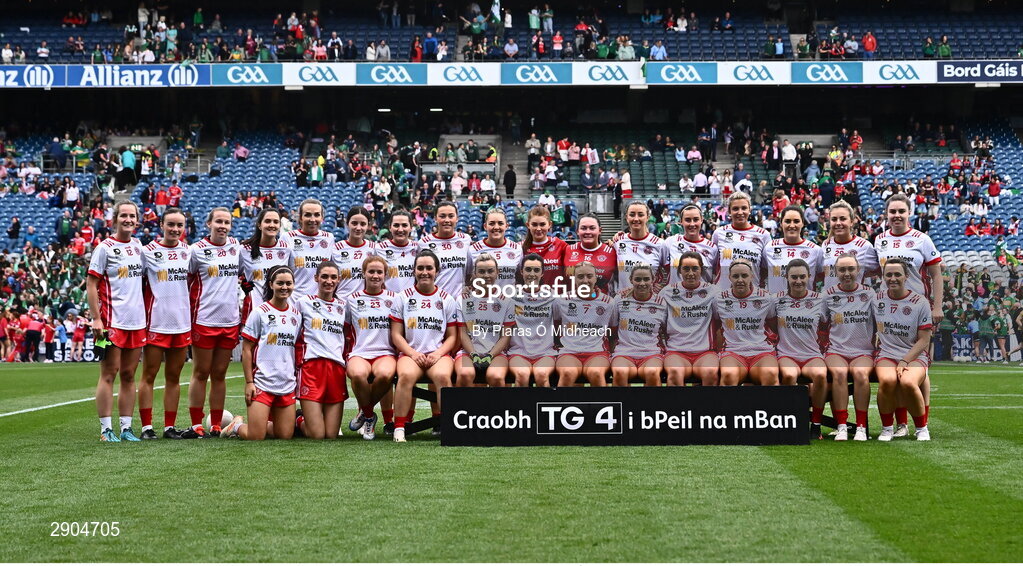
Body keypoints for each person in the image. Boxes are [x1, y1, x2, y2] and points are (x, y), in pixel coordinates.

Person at [874, 193, 943, 434]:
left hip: (917, 309)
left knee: (917, 365)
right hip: (890, 310)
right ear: (887, 214)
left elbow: (936, 274)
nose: (897, 216)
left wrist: (937, 306)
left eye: (901, 211)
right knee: (895, 367)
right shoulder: (879, 240)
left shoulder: (921, 239)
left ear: (909, 213)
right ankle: (901, 423)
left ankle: (922, 422)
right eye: (892, 212)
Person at [88, 201, 146, 442]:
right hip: (113, 321)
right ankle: (105, 430)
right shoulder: (105, 248)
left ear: (137, 220)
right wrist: (96, 319)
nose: (128, 220)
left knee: (130, 375)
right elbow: (91, 285)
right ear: (115, 219)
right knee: (109, 373)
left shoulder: (139, 246)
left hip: (137, 320)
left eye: (132, 216)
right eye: (124, 216)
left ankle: (126, 428)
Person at [389, 249, 462, 442]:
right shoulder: (403, 297)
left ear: (437, 271)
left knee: (443, 376)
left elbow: (453, 337)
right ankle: (400, 428)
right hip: (411, 354)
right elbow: (396, 334)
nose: (424, 272)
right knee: (404, 376)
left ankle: (448, 426)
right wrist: (413, 354)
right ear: (413, 271)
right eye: (420, 268)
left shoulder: (447, 299)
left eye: (429, 268)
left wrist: (438, 354)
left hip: (438, 354)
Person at [222, 266, 301, 441]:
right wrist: (249, 382)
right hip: (262, 383)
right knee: (255, 436)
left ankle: (262, 422)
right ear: (271, 285)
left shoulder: (296, 315)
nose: (284, 287)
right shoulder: (260, 312)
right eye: (280, 283)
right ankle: (236, 426)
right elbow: (247, 349)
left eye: (288, 283)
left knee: (285, 435)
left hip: (286, 384)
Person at [185, 207, 243, 438]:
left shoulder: (236, 248)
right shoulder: (196, 250)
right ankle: (196, 423)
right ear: (208, 223)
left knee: (220, 374)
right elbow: (186, 282)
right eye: (218, 221)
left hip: (230, 321)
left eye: (227, 222)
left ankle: (217, 423)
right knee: (200, 372)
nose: (223, 226)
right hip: (204, 320)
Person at [138, 208, 192, 440]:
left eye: (179, 225)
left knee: (174, 377)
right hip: (156, 323)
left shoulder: (189, 252)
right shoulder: (147, 252)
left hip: (181, 324)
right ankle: (146, 427)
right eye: (171, 224)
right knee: (149, 375)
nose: (175, 229)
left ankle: (169, 427)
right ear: (161, 225)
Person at [873, 259, 933, 442]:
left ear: (906, 276)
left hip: (914, 355)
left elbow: (924, 339)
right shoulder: (877, 299)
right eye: (888, 274)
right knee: (888, 381)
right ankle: (886, 428)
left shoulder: (920, 302)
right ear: (883, 277)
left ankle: (921, 428)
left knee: (907, 382)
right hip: (886, 354)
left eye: (897, 274)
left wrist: (905, 360)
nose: (893, 278)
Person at [344, 255, 400, 439]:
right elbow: (345, 330)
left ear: (385, 275)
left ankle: (364, 413)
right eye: (371, 271)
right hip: (360, 352)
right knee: (358, 375)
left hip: (385, 353)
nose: (375, 276)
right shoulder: (351, 300)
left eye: (379, 272)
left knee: (385, 375)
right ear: (364, 273)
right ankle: (369, 416)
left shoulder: (394, 299)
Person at [294, 261, 349, 440]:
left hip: (336, 369)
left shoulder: (344, 306)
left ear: (339, 280)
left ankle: (308, 418)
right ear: (316, 278)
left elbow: (349, 336)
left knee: (331, 436)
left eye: (333, 277)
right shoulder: (303, 303)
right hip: (312, 367)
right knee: (317, 436)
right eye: (324, 276)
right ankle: (299, 420)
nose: (329, 281)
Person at [774, 259, 828, 438]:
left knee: (821, 375)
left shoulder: (819, 300)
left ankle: (816, 424)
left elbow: (829, 327)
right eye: (794, 277)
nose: (798, 281)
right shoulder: (776, 300)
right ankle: (792, 423)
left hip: (812, 354)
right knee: (789, 375)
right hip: (786, 354)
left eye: (802, 277)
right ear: (786, 278)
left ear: (809, 277)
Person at [716, 260, 779, 386]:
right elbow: (715, 327)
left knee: (770, 374)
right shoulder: (719, 299)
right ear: (729, 277)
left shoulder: (766, 298)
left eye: (744, 276)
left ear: (752, 276)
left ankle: (766, 407)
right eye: (735, 276)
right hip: (732, 351)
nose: (740, 280)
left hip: (761, 351)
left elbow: (774, 326)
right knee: (729, 375)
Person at [661, 251, 719, 386]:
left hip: (705, 352)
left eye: (695, 268)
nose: (690, 273)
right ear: (679, 270)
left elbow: (722, 321)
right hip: (676, 351)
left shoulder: (713, 291)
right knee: (675, 374)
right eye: (686, 269)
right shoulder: (667, 292)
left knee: (710, 373)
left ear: (701, 270)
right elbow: (659, 324)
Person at [553, 262, 614, 387]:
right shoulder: (562, 300)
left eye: (589, 276)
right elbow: (556, 326)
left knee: (596, 373)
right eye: (580, 277)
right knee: (568, 373)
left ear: (596, 277)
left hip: (597, 352)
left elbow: (613, 332)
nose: (585, 280)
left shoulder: (608, 302)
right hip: (569, 351)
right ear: (574, 279)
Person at [456, 253, 513, 387]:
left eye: (490, 271)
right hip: (468, 351)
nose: (486, 275)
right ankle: (468, 408)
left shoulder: (506, 301)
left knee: (496, 377)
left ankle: (498, 408)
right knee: (465, 374)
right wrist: (474, 354)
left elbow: (505, 336)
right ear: (474, 273)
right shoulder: (463, 298)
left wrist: (490, 355)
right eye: (481, 271)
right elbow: (463, 333)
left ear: (497, 272)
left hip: (496, 353)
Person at [611, 264, 668, 386]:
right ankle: (624, 405)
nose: (642, 283)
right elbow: (613, 328)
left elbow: (667, 331)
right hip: (624, 353)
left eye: (646, 279)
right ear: (631, 280)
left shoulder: (661, 302)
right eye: (637, 279)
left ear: (653, 280)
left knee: (652, 373)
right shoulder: (620, 299)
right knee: (620, 373)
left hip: (651, 353)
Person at [507, 253, 557, 388]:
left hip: (545, 352)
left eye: (536, 270)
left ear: (542, 274)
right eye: (528, 270)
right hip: (519, 351)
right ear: (521, 272)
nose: (532, 274)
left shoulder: (553, 296)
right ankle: (519, 409)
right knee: (522, 375)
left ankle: (543, 409)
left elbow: (578, 299)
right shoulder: (510, 295)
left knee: (541, 375)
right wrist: (469, 288)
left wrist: (594, 293)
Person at [240, 208, 294, 323]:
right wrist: (243, 283)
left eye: (275, 222)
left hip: (279, 310)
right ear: (259, 225)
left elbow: (292, 276)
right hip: (254, 307)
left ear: (280, 225)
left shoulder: (286, 249)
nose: (272, 225)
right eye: (267, 221)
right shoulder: (245, 249)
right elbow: (234, 272)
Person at [711, 192, 770, 287]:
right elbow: (713, 267)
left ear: (750, 209)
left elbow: (765, 269)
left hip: (752, 295)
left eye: (744, 208)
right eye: (735, 209)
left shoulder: (763, 235)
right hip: (724, 295)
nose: (740, 212)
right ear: (729, 211)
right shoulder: (719, 233)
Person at [820, 201, 879, 289]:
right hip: (829, 301)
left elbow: (879, 272)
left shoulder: (864, 246)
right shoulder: (826, 244)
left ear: (851, 222)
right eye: (834, 219)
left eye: (843, 219)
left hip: (855, 302)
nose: (838, 223)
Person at [764, 206, 823, 294]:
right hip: (776, 305)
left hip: (806, 305)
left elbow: (822, 278)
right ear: (781, 223)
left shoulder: (815, 250)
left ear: (803, 223)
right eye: (787, 221)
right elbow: (761, 275)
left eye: (796, 221)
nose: (792, 225)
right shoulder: (769, 248)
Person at [613, 201, 669, 291]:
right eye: (632, 215)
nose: (636, 219)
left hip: (650, 301)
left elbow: (672, 272)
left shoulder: (659, 244)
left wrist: (663, 288)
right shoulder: (618, 241)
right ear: (626, 217)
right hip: (624, 301)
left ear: (648, 217)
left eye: (640, 215)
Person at [420, 201, 472, 296]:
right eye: (442, 216)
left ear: (457, 219)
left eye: (451, 216)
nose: (447, 220)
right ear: (435, 218)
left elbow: (469, 274)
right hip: (435, 300)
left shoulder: (465, 240)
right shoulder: (424, 243)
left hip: (459, 302)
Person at [288, 199, 335, 297]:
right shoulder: (288, 237)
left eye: (317, 215)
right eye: (308, 215)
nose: (312, 219)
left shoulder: (329, 238)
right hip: (294, 301)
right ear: (300, 217)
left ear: (322, 218)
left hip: (320, 302)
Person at [663, 204, 718, 285]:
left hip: (703, 296)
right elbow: (659, 267)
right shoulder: (670, 243)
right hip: (675, 296)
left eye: (696, 219)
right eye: (688, 220)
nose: (692, 224)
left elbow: (716, 275)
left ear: (701, 220)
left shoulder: (712, 248)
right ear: (681, 221)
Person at [563, 214, 617, 293]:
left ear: (600, 230)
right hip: (572, 303)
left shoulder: (612, 252)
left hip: (601, 303)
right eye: (583, 228)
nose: (588, 232)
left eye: (592, 228)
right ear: (577, 231)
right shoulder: (568, 250)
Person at [468, 208, 521, 288]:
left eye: (500, 223)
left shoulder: (517, 249)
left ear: (506, 226)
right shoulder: (472, 250)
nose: (496, 227)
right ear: (485, 226)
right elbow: (467, 279)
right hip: (482, 299)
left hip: (509, 299)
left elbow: (520, 278)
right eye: (492, 223)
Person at [331, 206, 376, 298]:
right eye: (354, 223)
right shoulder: (335, 249)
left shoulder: (374, 249)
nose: (358, 228)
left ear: (368, 226)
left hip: (365, 305)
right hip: (341, 303)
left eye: (363, 224)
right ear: (347, 224)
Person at [521, 205, 568, 287]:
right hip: (529, 298)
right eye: (534, 225)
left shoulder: (560, 245)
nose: (538, 229)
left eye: (542, 224)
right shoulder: (520, 247)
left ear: (549, 224)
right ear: (528, 225)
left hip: (556, 298)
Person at [378, 209, 418, 293]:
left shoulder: (418, 248)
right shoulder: (379, 249)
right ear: (390, 227)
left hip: (412, 302)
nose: (400, 230)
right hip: (388, 302)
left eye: (404, 225)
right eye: (396, 225)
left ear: (411, 227)